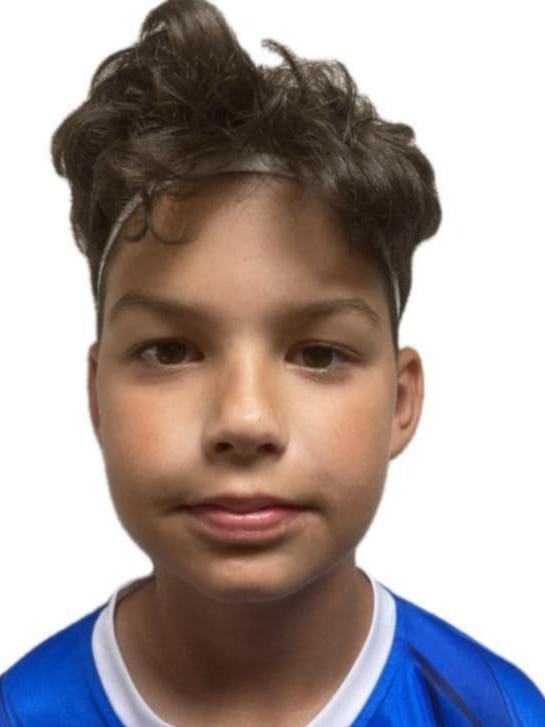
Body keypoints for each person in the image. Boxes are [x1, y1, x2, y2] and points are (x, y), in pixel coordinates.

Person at [1, 0, 543, 725]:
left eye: (318, 354)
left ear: (401, 400)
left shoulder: (493, 711)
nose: (245, 420)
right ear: (97, 394)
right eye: (170, 351)